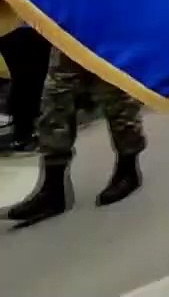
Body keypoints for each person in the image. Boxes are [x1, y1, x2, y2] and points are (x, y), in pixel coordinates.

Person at [3, 48, 146, 226]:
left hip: (108, 36)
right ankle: (53, 187)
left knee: (114, 90)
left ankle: (128, 168)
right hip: (69, 35)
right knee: (56, 96)